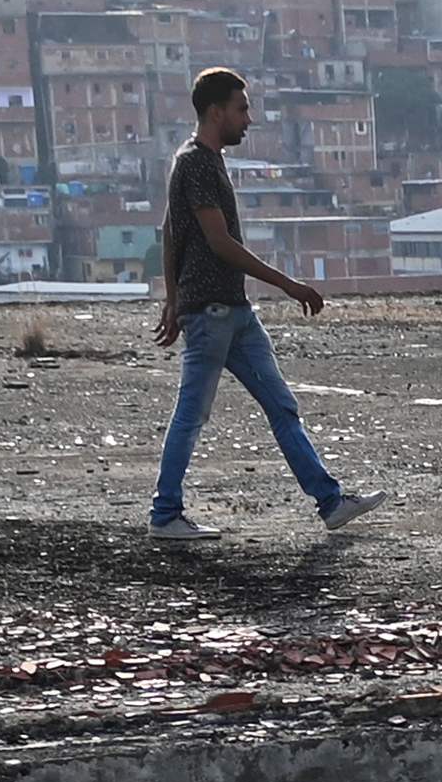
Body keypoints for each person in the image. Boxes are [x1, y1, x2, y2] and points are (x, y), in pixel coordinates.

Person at [155, 70, 373, 534]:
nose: (248, 120)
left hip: (231, 312)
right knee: (192, 413)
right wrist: (289, 285)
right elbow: (218, 242)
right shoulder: (194, 163)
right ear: (216, 112)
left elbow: (170, 232)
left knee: (281, 405)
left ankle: (331, 503)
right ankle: (165, 514)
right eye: (241, 109)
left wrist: (172, 300)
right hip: (213, 312)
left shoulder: (205, 162)